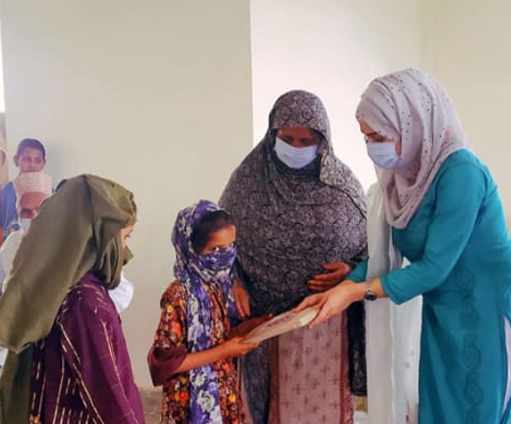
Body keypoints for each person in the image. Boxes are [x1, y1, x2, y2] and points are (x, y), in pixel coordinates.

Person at [294, 68, 511, 424]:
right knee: (440, 412)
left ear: (413, 124)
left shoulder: (461, 173)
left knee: (475, 412)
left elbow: (435, 267)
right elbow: (386, 251)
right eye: (366, 137)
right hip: (443, 315)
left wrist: (355, 292)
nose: (371, 147)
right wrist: (347, 282)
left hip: (487, 314)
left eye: (379, 135)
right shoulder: (403, 178)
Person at [219, 90, 368, 423]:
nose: (297, 147)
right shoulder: (247, 182)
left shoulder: (343, 187)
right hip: (261, 318)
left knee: (314, 410)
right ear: (273, 134)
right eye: (288, 139)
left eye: (306, 140)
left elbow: (369, 249)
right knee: (258, 406)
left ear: (323, 140)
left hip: (320, 322)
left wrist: (349, 271)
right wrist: (235, 281)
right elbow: (220, 244)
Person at [0, 174, 144, 423]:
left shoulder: (60, 285)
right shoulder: (84, 301)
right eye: (125, 237)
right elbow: (105, 397)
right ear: (96, 235)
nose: (126, 252)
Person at [149, 200, 263, 423]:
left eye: (231, 246)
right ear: (191, 249)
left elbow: (216, 340)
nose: (226, 256)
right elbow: (167, 364)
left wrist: (245, 330)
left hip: (222, 392)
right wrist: (224, 351)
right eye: (216, 249)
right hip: (189, 400)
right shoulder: (178, 294)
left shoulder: (216, 287)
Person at [0, 138, 47, 240]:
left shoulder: (48, 194)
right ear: (16, 160)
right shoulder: (5, 192)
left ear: (43, 164)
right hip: (10, 249)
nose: (32, 165)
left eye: (37, 160)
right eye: (27, 159)